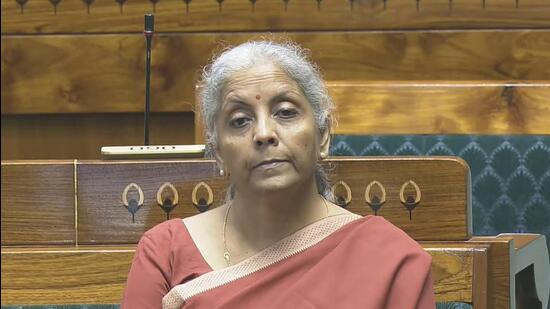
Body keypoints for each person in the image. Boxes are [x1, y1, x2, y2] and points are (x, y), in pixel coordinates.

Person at [121, 40, 436, 309]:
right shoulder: (166, 251)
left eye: (286, 112)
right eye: (240, 120)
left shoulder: (391, 258)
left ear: (323, 134)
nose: (263, 133)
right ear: (217, 150)